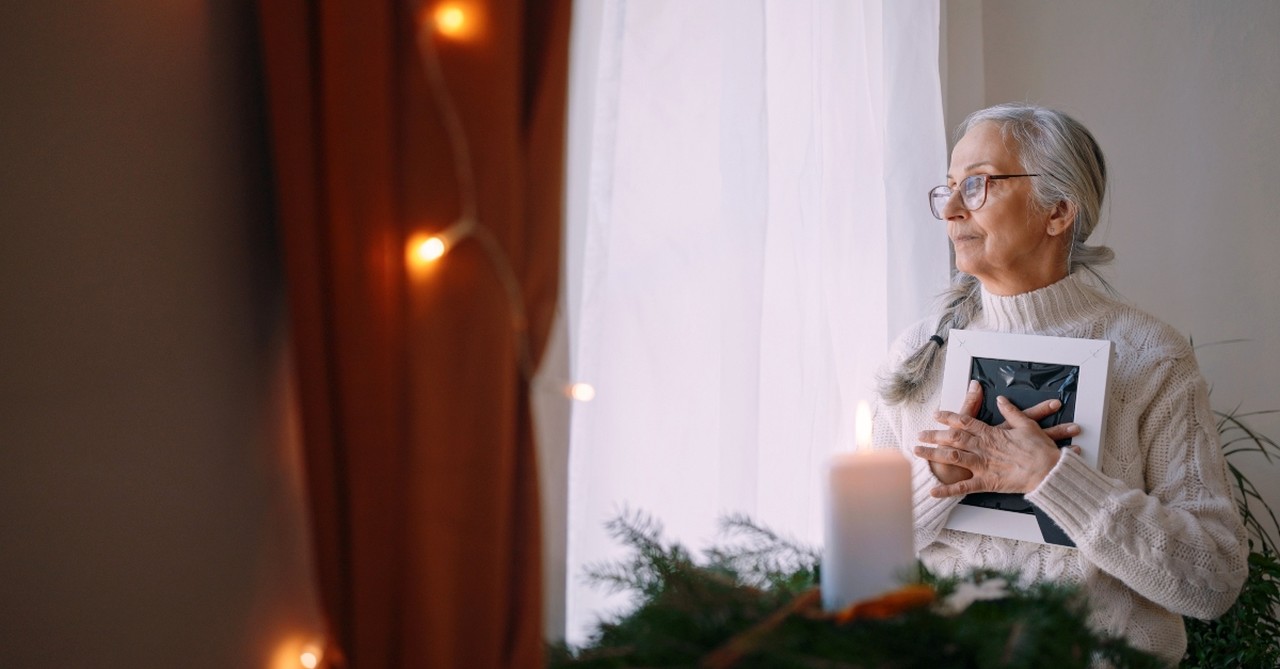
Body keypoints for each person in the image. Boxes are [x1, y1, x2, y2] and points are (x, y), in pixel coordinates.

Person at [873, 102, 1247, 666]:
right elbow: (862, 561)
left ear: (1059, 211)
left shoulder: (1150, 358)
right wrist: (937, 480)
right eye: (947, 187)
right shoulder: (916, 354)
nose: (949, 210)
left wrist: (1052, 478)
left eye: (976, 186)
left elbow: (1212, 580)